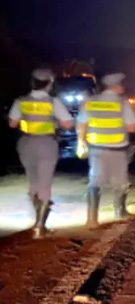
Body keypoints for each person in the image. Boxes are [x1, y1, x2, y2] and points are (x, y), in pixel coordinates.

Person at [7, 68, 74, 238]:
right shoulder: (53, 102)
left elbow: (12, 124)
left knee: (33, 181)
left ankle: (37, 220)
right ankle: (39, 226)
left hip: (26, 144)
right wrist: (55, 124)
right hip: (46, 143)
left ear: (32, 83)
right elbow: (67, 123)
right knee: (45, 183)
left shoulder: (20, 101)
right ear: (50, 83)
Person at [76, 73, 135, 227]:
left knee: (94, 182)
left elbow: (81, 123)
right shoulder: (122, 103)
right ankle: (120, 213)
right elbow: (132, 127)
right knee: (121, 183)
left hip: (96, 149)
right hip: (117, 149)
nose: (123, 87)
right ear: (115, 86)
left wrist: (80, 142)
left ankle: (91, 220)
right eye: (121, 84)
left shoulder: (90, 101)